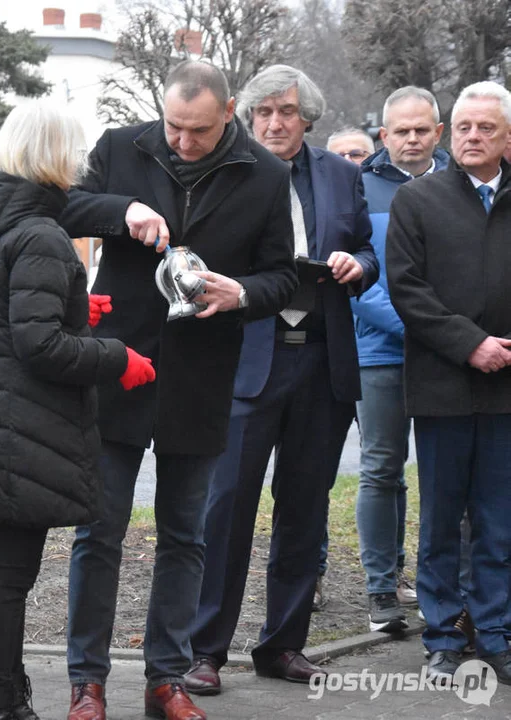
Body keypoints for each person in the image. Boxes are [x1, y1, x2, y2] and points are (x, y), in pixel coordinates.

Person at [59, 60, 298, 720]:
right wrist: (121, 208)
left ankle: (166, 680)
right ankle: (87, 681)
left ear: (228, 114)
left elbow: (284, 276)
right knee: (97, 532)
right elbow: (63, 205)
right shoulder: (119, 147)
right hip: (118, 364)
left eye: (196, 130)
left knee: (184, 536)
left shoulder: (266, 175)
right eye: (172, 127)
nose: (181, 143)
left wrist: (243, 293)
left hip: (201, 376)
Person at [0, 101, 156, 720]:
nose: (84, 162)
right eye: (76, 150)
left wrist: (74, 311)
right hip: (23, 432)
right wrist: (117, 357)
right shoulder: (40, 232)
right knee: (9, 581)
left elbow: (3, 315)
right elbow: (40, 347)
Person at [186, 65, 377, 697]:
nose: (274, 123)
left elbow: (371, 253)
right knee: (227, 509)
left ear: (308, 119)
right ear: (247, 116)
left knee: (305, 509)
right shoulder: (227, 170)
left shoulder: (345, 175)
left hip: (321, 362)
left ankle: (284, 645)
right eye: (264, 112)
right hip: (247, 360)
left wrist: (358, 265)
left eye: (287, 112)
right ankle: (205, 650)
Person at [386, 80, 511, 684]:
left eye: (486, 128)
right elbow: (408, 289)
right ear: (448, 132)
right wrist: (471, 344)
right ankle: (442, 635)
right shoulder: (419, 200)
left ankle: (494, 631)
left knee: (498, 519)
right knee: (439, 519)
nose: (472, 136)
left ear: (507, 136)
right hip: (442, 385)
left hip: (507, 388)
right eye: (463, 127)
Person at [352, 86, 447, 633]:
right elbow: (355, 281)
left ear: (438, 131)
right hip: (381, 353)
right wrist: (427, 332)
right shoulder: (358, 188)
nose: (411, 139)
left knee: (443, 474)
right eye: (400, 130)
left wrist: (449, 338)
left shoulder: (460, 184)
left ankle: (437, 589)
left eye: (422, 129)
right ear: (383, 135)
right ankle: (380, 592)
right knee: (382, 468)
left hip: (449, 355)